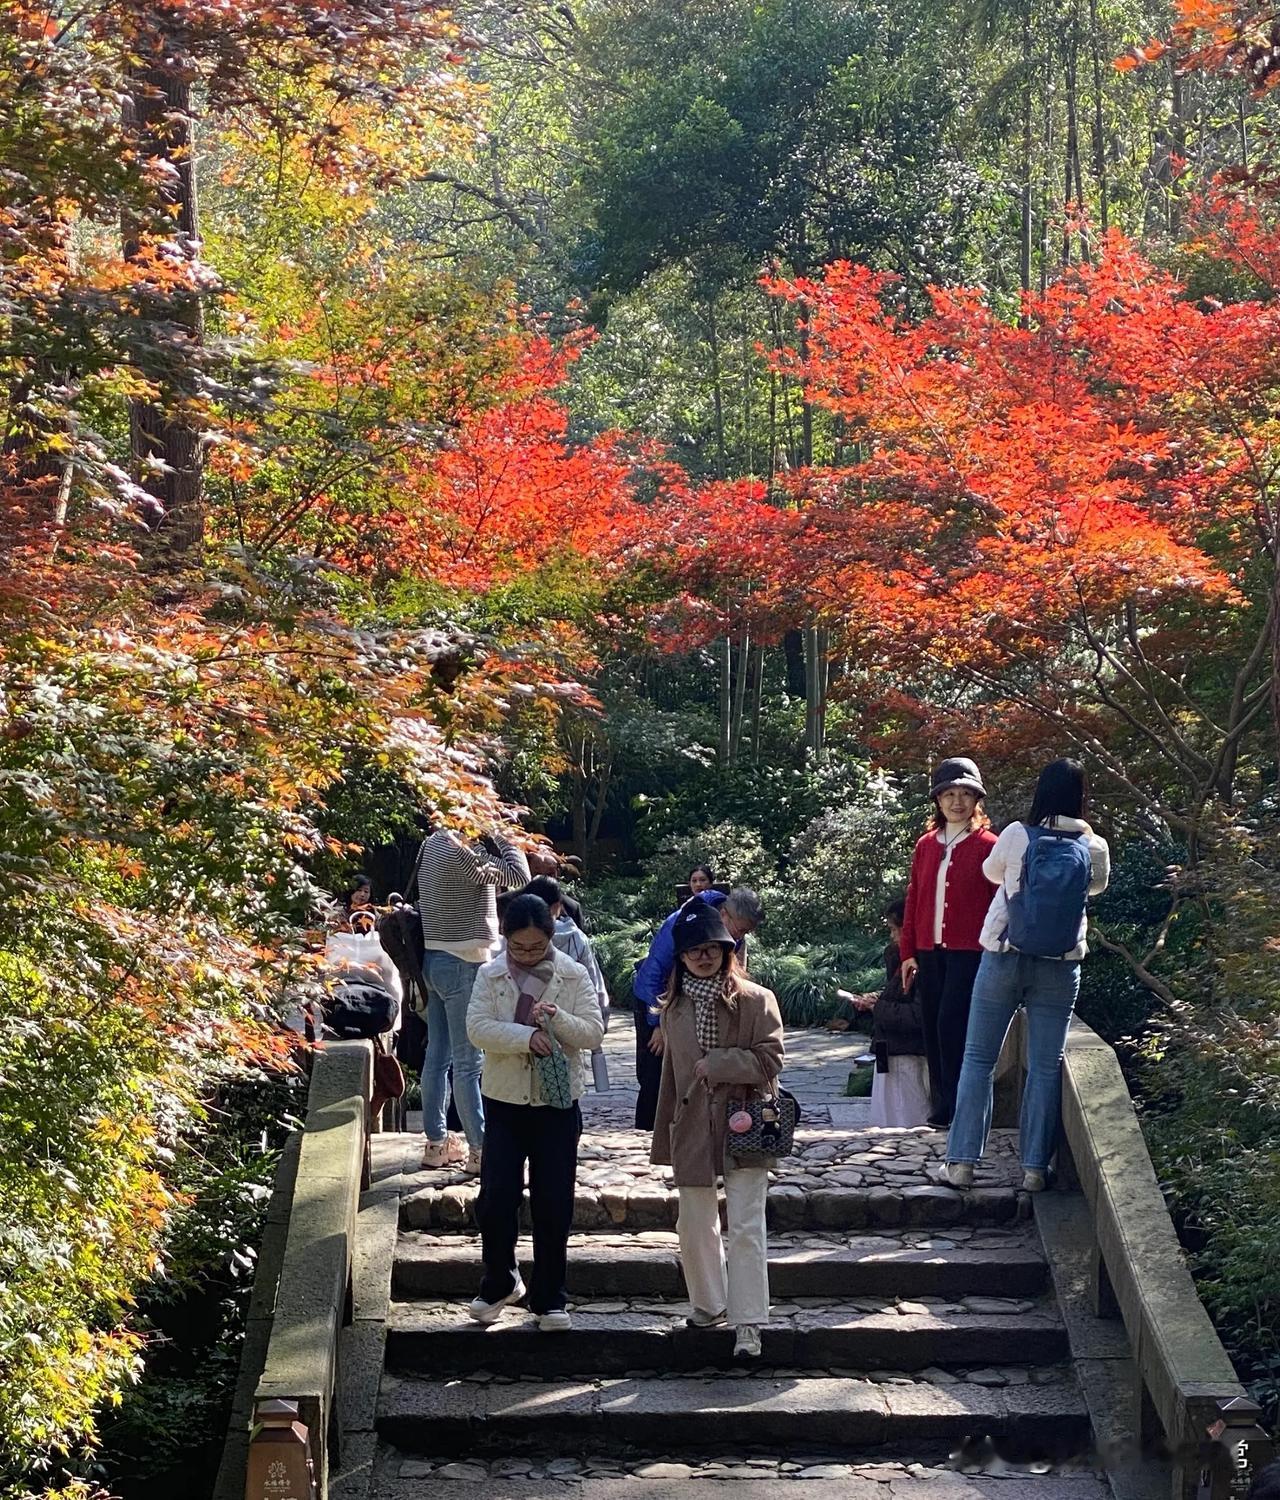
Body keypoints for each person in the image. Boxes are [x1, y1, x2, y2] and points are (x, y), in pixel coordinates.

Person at [930, 758, 1110, 1193]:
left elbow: (991, 873)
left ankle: (961, 1165)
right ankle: (1033, 1170)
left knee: (978, 1060)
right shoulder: (1094, 846)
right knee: (1047, 1067)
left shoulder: (1015, 834)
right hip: (1061, 964)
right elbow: (1096, 887)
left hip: (1004, 956)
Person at [651, 901, 784, 1361]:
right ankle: (708, 1303)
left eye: (711, 949)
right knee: (693, 1222)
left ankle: (748, 1322)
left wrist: (719, 1063)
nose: (702, 958)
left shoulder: (756, 999)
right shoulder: (675, 1009)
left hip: (746, 1118)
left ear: (727, 951)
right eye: (693, 952)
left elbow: (771, 1060)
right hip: (691, 1123)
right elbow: (671, 1077)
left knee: (746, 1224)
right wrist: (665, 1136)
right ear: (681, 958)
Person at [466, 894, 604, 1331]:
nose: (526, 954)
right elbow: (477, 1029)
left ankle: (549, 1296)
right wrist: (525, 1037)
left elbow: (594, 1033)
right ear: (505, 937)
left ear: (550, 937)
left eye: (535, 947)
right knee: (496, 1198)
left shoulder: (572, 973)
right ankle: (500, 1278)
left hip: (556, 1105)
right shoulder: (490, 974)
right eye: (518, 946)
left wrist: (557, 1019)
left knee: (553, 1200)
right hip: (505, 1100)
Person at [411, 827, 530, 1173]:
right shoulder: (465, 849)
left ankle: (436, 1143)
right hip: (464, 963)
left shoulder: (431, 842)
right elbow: (518, 877)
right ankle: (480, 1149)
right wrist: (506, 837)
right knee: (468, 1063)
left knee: (437, 1056)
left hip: (432, 960)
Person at [900, 758, 998, 1129]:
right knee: (932, 1027)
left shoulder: (989, 845)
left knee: (952, 1025)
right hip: (929, 950)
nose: (957, 802)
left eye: (966, 794)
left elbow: (1000, 901)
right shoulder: (926, 845)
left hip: (970, 951)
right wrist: (907, 952)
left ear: (977, 800)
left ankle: (959, 1105)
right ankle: (942, 1104)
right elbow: (915, 899)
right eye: (950, 794)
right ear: (938, 800)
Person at [632, 886, 765, 1131]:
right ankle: (649, 1131)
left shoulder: (733, 933)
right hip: (656, 1000)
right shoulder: (682, 921)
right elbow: (653, 973)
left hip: (694, 999)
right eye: (740, 929)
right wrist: (658, 1024)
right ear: (724, 914)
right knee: (655, 1069)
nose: (740, 936)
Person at [843, 898, 931, 1128]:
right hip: (890, 1048)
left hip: (908, 1052)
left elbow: (917, 1015)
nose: (892, 937)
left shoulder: (923, 967)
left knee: (908, 1113)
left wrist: (877, 1007)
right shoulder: (899, 961)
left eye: (895, 930)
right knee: (888, 1113)